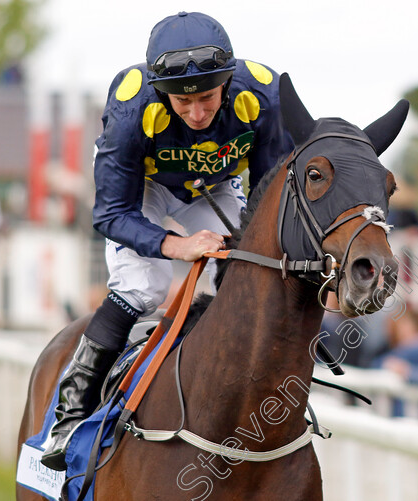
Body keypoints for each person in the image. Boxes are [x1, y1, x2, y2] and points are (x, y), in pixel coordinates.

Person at [41, 12, 293, 470]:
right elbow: (111, 213)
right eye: (183, 101)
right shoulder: (131, 107)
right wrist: (177, 245)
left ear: (228, 82)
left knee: (254, 262)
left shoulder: (264, 93)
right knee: (146, 287)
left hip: (215, 184)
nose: (197, 113)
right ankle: (69, 415)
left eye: (209, 98)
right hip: (146, 188)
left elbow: (268, 188)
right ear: (162, 92)